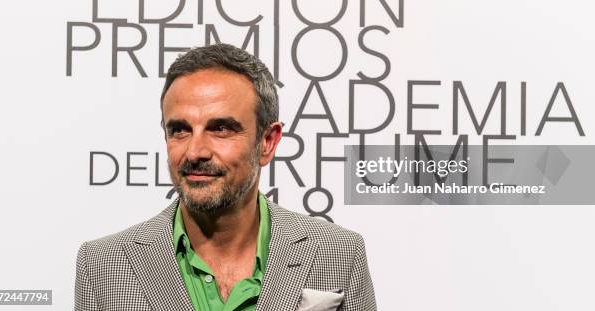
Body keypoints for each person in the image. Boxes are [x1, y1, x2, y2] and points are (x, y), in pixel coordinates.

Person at [74, 44, 377, 311]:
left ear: (267, 142)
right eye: (179, 130)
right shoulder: (103, 265)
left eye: (220, 129)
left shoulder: (338, 252)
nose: (195, 151)